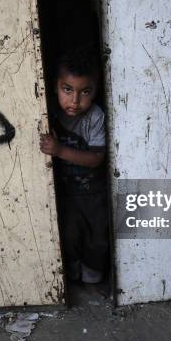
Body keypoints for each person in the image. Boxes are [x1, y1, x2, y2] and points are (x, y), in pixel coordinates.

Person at [39, 50, 108, 284]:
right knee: (67, 234)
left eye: (85, 92)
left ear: (96, 90)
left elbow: (96, 158)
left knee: (98, 236)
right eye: (67, 90)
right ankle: (72, 275)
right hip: (65, 191)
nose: (75, 101)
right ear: (55, 87)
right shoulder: (48, 112)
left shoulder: (95, 117)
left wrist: (59, 151)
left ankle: (92, 277)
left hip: (94, 191)